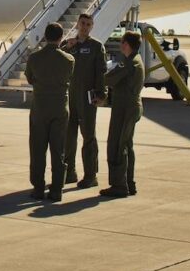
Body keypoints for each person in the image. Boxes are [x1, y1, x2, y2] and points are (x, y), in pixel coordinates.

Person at [24, 22, 74, 201]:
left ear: (45, 36)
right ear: (61, 37)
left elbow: (30, 79)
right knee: (58, 150)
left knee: (38, 149)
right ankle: (56, 190)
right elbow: (69, 76)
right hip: (60, 108)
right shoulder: (68, 59)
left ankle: (38, 188)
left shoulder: (34, 58)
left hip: (40, 108)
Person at [62, 13, 105, 189]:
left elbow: (101, 72)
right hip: (70, 95)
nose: (85, 26)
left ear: (92, 27)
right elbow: (58, 60)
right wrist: (66, 47)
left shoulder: (96, 47)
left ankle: (90, 175)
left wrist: (101, 94)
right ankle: (69, 172)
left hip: (87, 96)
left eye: (88, 24)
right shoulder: (70, 45)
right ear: (77, 25)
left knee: (88, 136)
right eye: (82, 23)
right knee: (68, 136)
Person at [101, 31, 145, 199]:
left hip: (125, 108)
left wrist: (95, 79)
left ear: (126, 44)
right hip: (130, 106)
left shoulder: (128, 63)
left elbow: (110, 79)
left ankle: (119, 185)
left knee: (118, 145)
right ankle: (129, 182)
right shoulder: (135, 60)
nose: (120, 46)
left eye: (122, 43)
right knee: (126, 145)